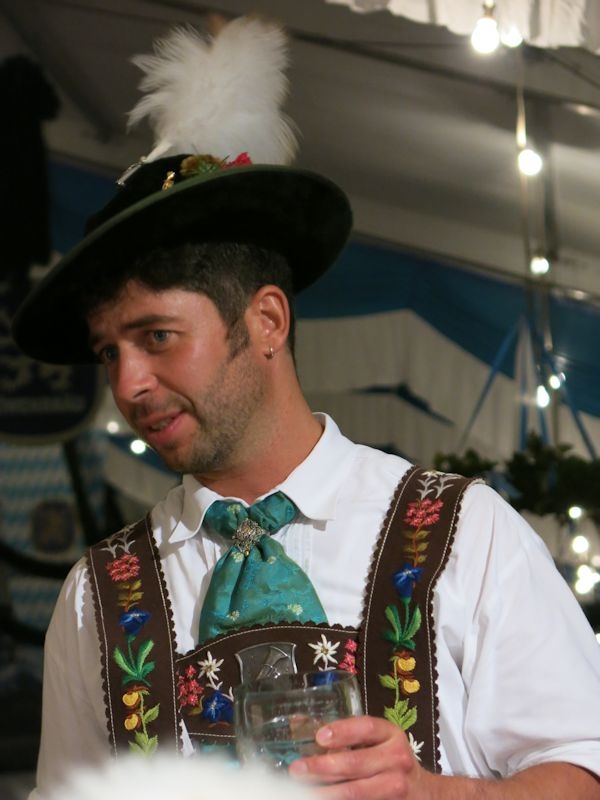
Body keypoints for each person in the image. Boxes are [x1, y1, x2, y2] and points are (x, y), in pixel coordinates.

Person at [11, 14, 600, 800]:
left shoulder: (466, 534)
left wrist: (437, 794)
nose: (130, 384)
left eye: (157, 337)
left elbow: (583, 772)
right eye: (109, 353)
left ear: (266, 320)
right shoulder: (97, 594)